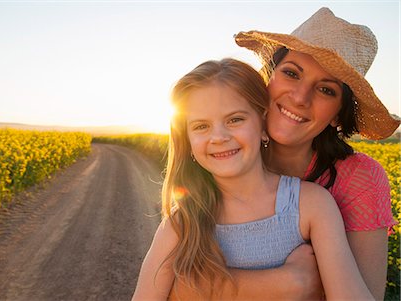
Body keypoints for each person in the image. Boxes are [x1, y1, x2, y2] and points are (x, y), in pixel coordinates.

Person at [170, 7, 400, 301]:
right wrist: (289, 282)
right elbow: (171, 281)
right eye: (291, 73)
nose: (300, 98)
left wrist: (207, 288)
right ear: (270, 76)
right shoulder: (225, 158)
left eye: (326, 90)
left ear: (337, 116)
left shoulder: (358, 179)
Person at [132, 58, 375, 301]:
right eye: (201, 126)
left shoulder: (311, 205)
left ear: (262, 123)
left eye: (235, 119)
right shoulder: (182, 222)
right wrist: (289, 282)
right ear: (187, 141)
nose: (218, 136)